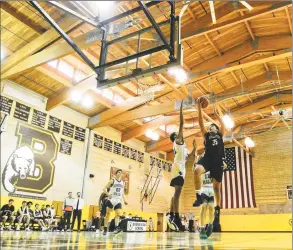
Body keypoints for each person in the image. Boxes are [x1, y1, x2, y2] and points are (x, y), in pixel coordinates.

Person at [192, 102, 226, 225]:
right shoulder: (206, 135)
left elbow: (223, 126)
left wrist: (218, 116)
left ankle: (218, 210)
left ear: (216, 129)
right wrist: (200, 109)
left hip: (218, 161)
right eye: (210, 126)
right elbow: (201, 122)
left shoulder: (220, 135)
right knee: (196, 171)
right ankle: (198, 196)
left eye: (214, 126)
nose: (212, 127)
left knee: (216, 188)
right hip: (207, 159)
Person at [168, 101, 198, 231]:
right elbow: (181, 123)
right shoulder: (178, 141)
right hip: (177, 167)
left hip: (181, 168)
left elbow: (189, 158)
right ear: (175, 137)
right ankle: (175, 216)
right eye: (177, 133)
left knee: (177, 193)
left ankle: (172, 214)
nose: (179, 133)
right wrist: (181, 109)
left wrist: (195, 149)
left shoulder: (183, 147)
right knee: (178, 192)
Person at [102, 169, 128, 235]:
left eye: (121, 173)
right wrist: (108, 194)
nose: (120, 173)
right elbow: (104, 189)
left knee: (118, 214)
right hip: (111, 199)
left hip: (118, 200)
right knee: (108, 214)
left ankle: (116, 228)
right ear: (116, 174)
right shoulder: (112, 181)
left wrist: (125, 200)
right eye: (119, 172)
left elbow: (122, 193)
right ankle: (105, 229)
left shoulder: (123, 182)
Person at [199, 171, 215, 239]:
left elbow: (225, 166)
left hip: (212, 190)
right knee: (203, 207)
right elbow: (194, 168)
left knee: (211, 208)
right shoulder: (202, 165)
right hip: (204, 189)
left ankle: (210, 225)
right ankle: (202, 228)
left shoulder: (214, 166)